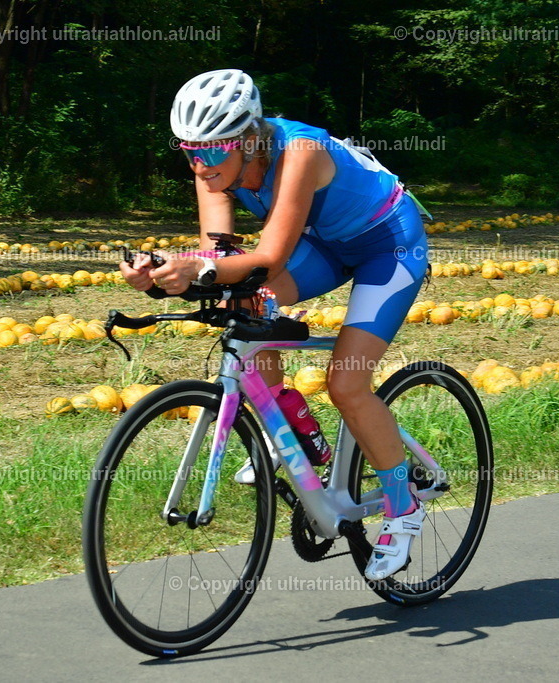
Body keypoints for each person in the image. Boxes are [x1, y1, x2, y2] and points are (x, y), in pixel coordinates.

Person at [119, 68, 430, 581]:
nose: (201, 164)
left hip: (387, 245)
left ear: (247, 137)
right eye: (189, 150)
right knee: (242, 307)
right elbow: (220, 257)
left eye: (213, 150)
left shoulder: (300, 152)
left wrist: (196, 266)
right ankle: (300, 435)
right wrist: (159, 276)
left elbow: (268, 255)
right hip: (323, 244)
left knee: (347, 382)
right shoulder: (211, 167)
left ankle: (404, 505)